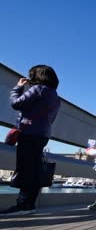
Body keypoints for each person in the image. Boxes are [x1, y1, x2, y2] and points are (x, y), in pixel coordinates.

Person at [0, 65, 60, 216]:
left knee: (26, 168)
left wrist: (18, 88)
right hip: (43, 135)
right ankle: (30, 204)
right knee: (34, 169)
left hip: (29, 133)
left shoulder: (38, 89)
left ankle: (22, 205)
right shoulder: (55, 96)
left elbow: (16, 104)